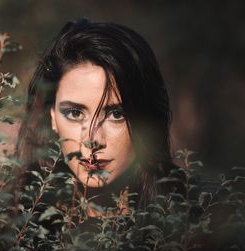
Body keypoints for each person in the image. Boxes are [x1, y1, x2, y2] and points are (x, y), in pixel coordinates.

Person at [16, 18, 184, 215]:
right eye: (75, 113)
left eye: (116, 114)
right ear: (52, 116)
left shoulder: (198, 219)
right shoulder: (15, 227)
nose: (93, 141)